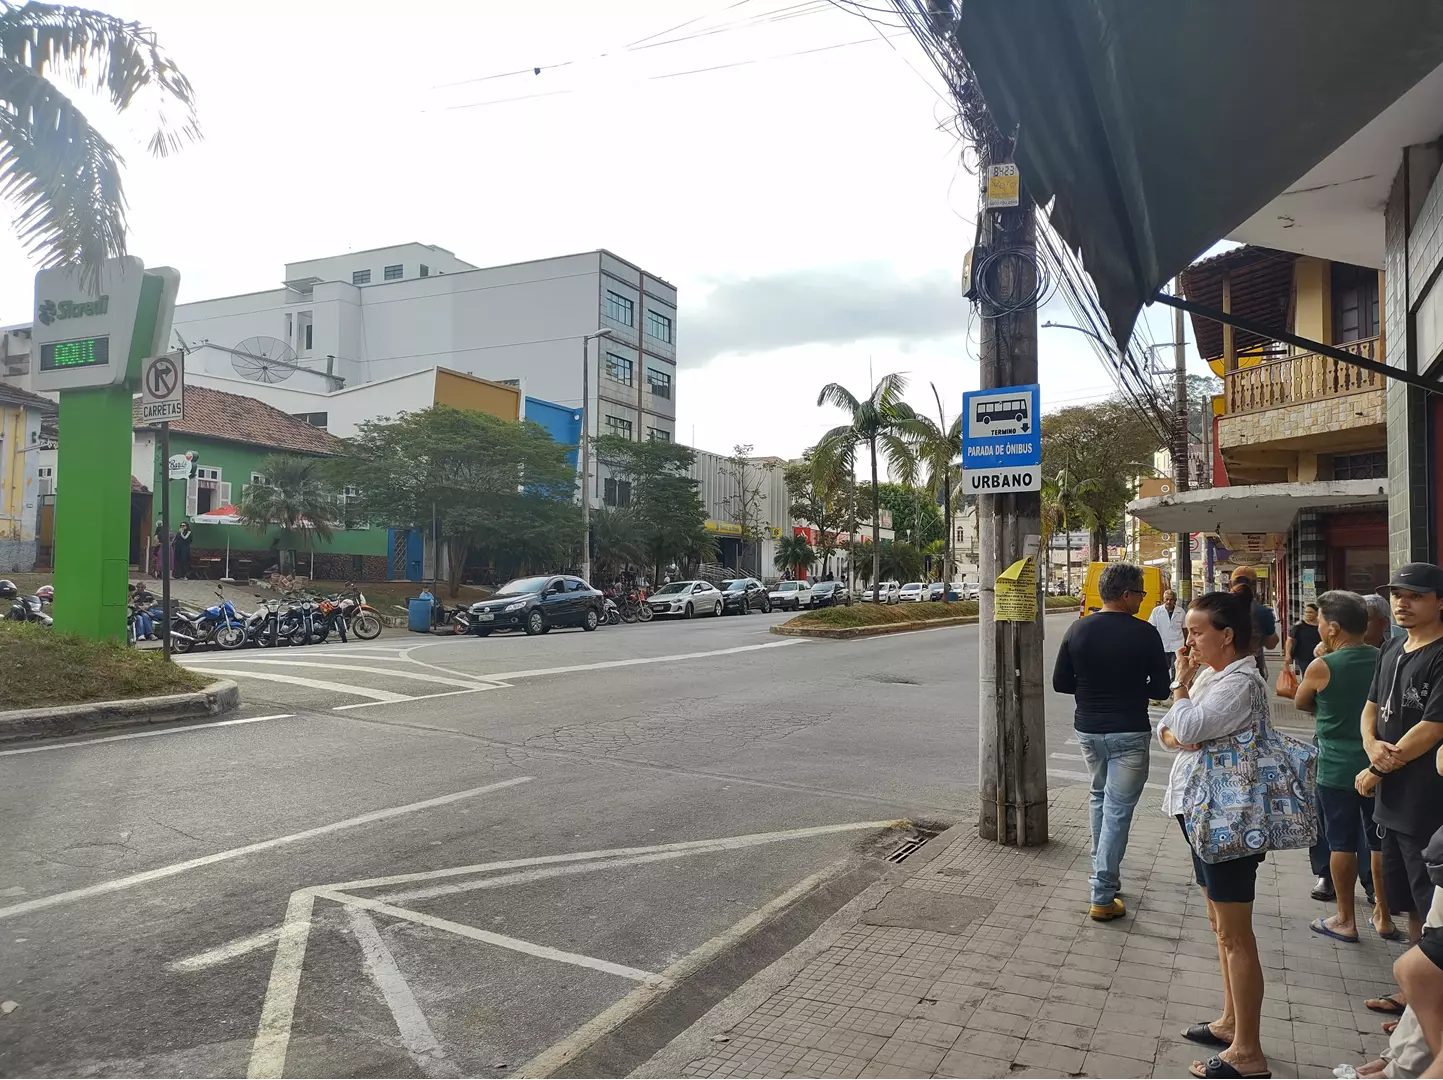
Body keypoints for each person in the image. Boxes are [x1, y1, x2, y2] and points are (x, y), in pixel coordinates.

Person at [1158, 591, 1274, 1080]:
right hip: (1201, 814)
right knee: (1219, 927)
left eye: (1196, 632)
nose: (1188, 642)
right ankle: (1231, 1023)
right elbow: (1167, 731)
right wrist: (1184, 716)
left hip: (1229, 821)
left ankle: (1249, 1051)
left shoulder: (1240, 683)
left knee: (1235, 934)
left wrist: (1182, 693)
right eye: (1186, 632)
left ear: (1226, 635)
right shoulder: (1212, 676)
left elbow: (1187, 722)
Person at [1052, 562, 1170, 921]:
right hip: (1129, 732)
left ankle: (1106, 876)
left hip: (1088, 730)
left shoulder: (1078, 629)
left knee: (1100, 800)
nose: (1143, 600)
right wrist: (1133, 687)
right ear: (1126, 595)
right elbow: (1161, 689)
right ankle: (1102, 894)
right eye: (1141, 594)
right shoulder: (1145, 634)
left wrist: (1093, 688)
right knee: (1117, 811)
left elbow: (1062, 682)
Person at [1356, 563, 1443, 1020]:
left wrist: (1376, 768)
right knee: (1408, 900)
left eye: (1415, 595)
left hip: (1426, 800)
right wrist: (1370, 744)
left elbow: (1431, 728)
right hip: (1392, 800)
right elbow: (1371, 708)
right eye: (1396, 594)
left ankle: (1430, 1009)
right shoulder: (1390, 646)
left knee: (1433, 904)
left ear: (1440, 602)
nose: (1402, 603)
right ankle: (1416, 997)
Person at [1294, 590, 1394, 943]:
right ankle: (1383, 914)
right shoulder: (1386, 658)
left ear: (1333, 628)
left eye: (1320, 622)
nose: (1317, 627)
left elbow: (1301, 701)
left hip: (1335, 768)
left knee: (1341, 843)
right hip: (1379, 765)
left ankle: (1345, 918)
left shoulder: (1324, 665)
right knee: (1378, 842)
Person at [1230, 566, 1279, 677]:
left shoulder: (1217, 607)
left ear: (1230, 584)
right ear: (1253, 586)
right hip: (1253, 670)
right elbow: (1271, 644)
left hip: (1222, 670)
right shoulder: (1262, 612)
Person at [1150, 588, 1187, 679]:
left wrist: (1186, 644)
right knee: (1164, 667)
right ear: (1163, 600)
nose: (1168, 601)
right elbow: (1152, 627)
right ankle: (1165, 685)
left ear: (1175, 600)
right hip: (1162, 643)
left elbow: (1185, 629)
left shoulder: (1181, 612)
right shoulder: (1156, 611)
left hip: (1177, 644)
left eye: (1171, 599)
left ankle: (1174, 685)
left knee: (1175, 666)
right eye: (1166, 599)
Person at [1287, 601, 1322, 677]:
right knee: (1307, 676)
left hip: (1319, 656)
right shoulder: (1299, 625)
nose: (1308, 614)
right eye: (1306, 612)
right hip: (1303, 657)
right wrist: (1288, 654)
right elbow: (1290, 640)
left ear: (1317, 613)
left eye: (1310, 612)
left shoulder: (1321, 626)